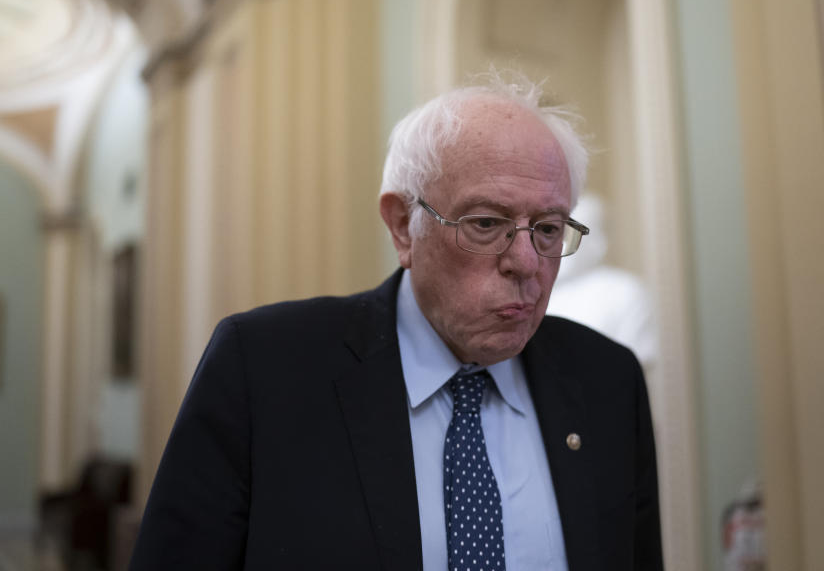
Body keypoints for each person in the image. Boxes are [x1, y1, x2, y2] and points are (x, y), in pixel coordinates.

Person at [129, 74, 662, 570]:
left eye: (547, 228)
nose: (526, 262)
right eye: (485, 223)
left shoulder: (607, 380)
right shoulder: (264, 370)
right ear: (402, 225)